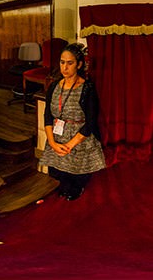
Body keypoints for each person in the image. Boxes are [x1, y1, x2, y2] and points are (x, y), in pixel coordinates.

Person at [40, 43, 104, 201]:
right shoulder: (54, 85)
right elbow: (48, 115)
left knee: (74, 181)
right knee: (56, 179)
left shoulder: (87, 88)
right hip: (56, 136)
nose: (65, 67)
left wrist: (69, 146)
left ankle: (77, 186)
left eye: (70, 63)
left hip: (78, 139)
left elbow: (90, 123)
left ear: (79, 64)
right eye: (62, 62)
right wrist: (53, 143)